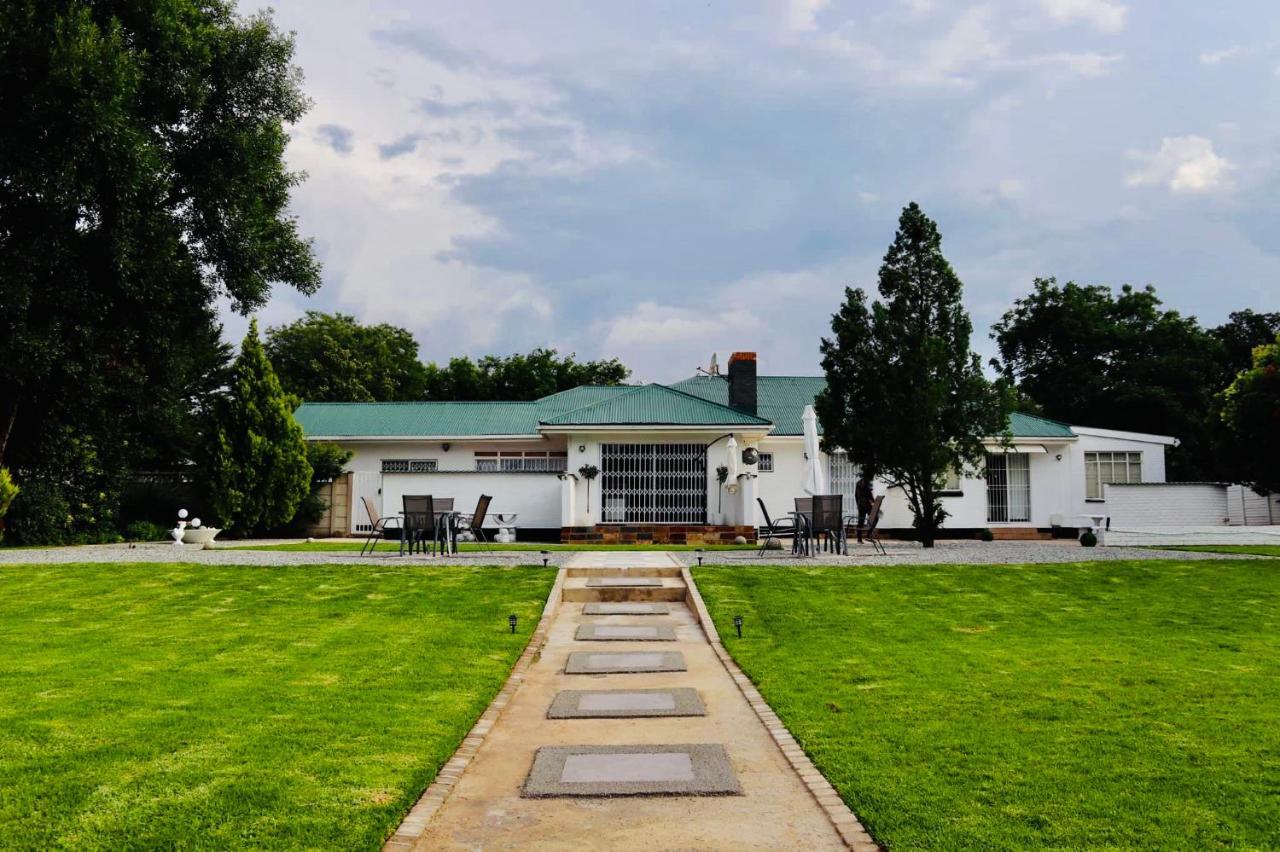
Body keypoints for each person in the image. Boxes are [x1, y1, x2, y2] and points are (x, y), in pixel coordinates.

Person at [855, 469, 874, 543]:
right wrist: (873, 502)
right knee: (875, 518)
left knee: (861, 521)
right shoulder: (867, 482)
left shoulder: (858, 483)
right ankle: (868, 535)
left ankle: (859, 539)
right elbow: (869, 494)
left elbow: (856, 495)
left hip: (860, 504)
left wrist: (858, 504)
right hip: (866, 504)